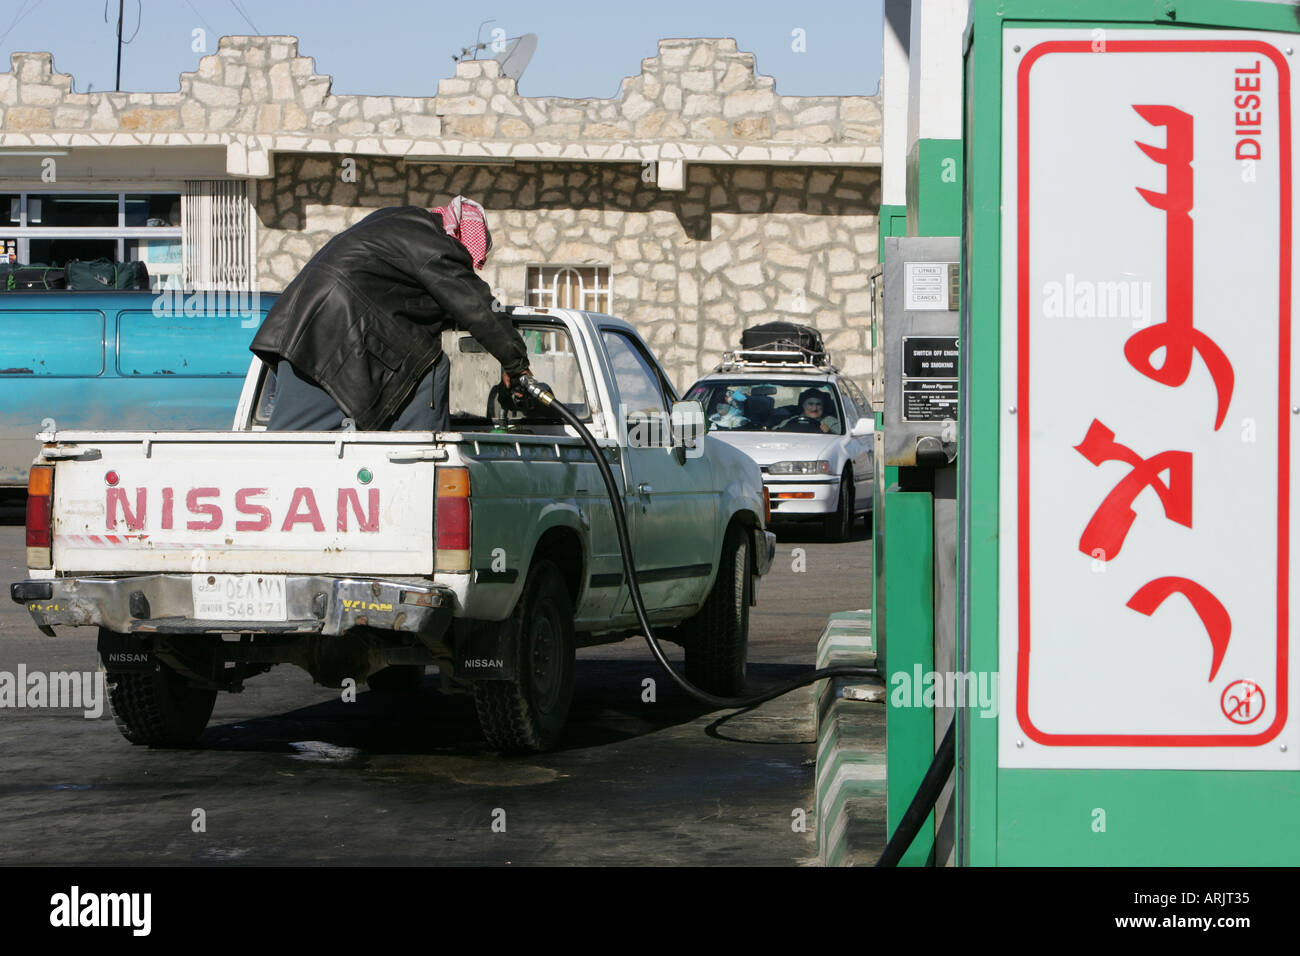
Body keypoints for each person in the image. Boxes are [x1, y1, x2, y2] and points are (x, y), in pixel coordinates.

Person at [251, 197, 531, 431]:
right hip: (343, 346)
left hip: (297, 336)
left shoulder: (394, 220)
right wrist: (516, 364)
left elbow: (399, 301)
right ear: (461, 238)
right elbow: (476, 305)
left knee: (288, 450)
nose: (468, 263)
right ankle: (420, 460)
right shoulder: (435, 244)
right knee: (432, 364)